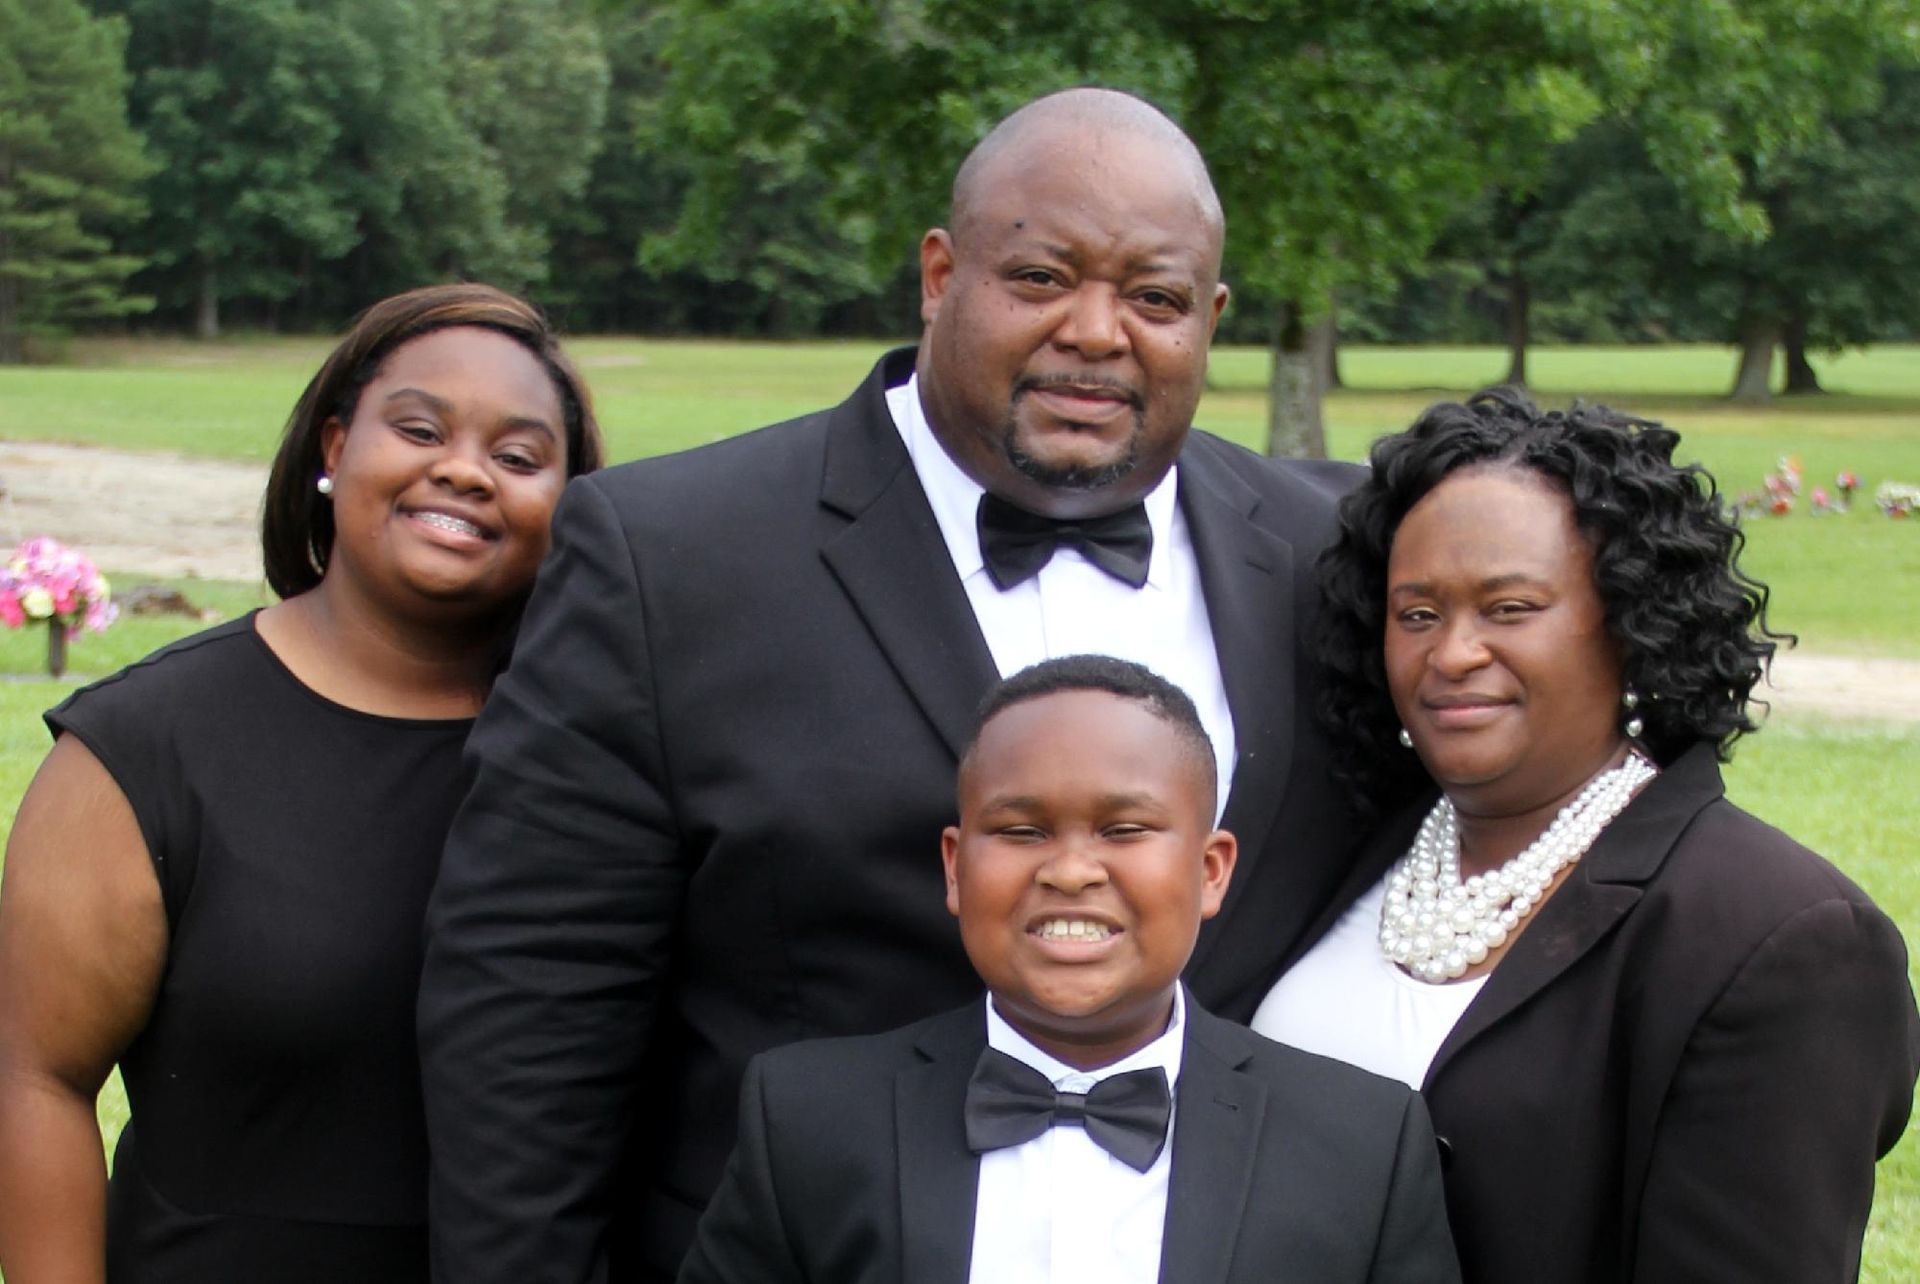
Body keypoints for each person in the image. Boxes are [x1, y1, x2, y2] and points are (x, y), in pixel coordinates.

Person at [420, 87, 1362, 1283]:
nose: (1095, 331)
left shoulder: (1332, 562)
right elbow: (526, 1017)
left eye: (1155, 298)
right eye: (1040, 278)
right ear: (938, 274)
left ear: (1211, 318)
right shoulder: (670, 558)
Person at [0, 283, 603, 1283]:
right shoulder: (146, 747)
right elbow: (37, 1078)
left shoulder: (603, 749)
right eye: (419, 428)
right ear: (333, 449)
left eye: (519, 455)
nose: (462, 470)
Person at [1252, 387, 1920, 1283]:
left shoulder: (1781, 937)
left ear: (1633, 625)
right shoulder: (1346, 845)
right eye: (1417, 614)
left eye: (1510, 608)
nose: (1451, 653)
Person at [679, 656, 1460, 1284]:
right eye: (1021, 830)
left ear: (1212, 870)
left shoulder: (1363, 1145)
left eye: (1124, 828)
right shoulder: (807, 1121)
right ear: (955, 868)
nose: (1072, 870)